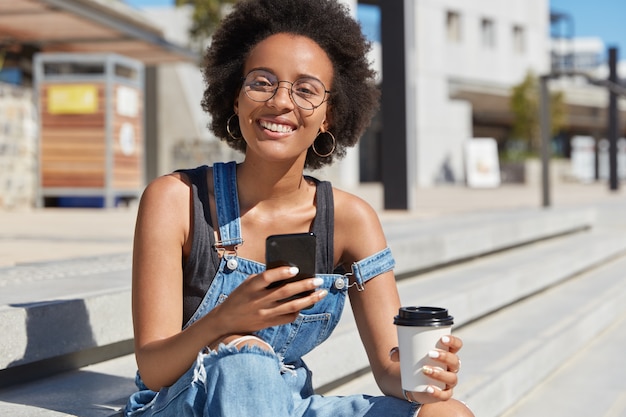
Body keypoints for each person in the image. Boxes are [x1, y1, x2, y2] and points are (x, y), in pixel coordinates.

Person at [125, 1, 474, 416]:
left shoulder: (350, 220)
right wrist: (225, 322)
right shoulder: (177, 199)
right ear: (235, 98)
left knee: (446, 413)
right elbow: (152, 368)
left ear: (329, 115)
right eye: (261, 82)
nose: (280, 102)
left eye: (306, 90)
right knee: (246, 360)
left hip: (289, 402)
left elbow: (388, 368)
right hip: (185, 401)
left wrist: (425, 379)